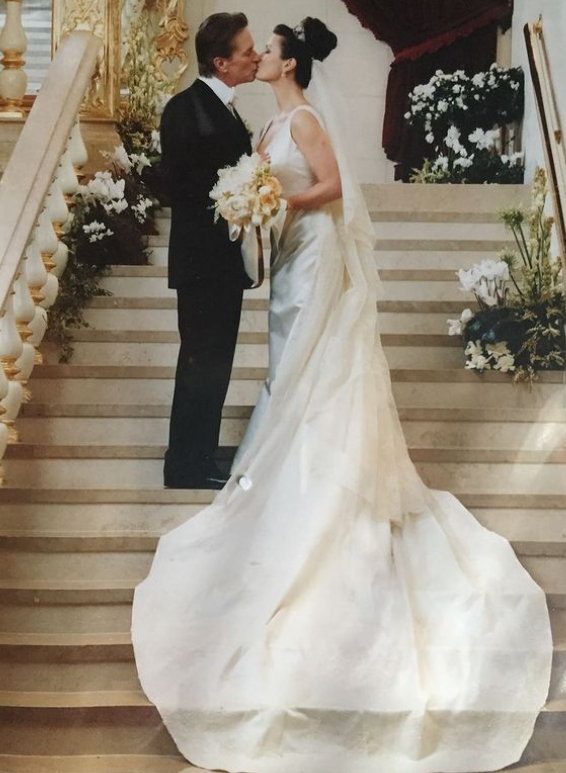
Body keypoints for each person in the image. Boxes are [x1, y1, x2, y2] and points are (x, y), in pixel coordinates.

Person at [133, 17, 552, 773]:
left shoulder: (306, 118)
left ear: (287, 61)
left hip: (317, 253)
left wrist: (279, 205)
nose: (258, 54)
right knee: (287, 364)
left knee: (316, 364)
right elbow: (253, 184)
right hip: (289, 260)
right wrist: (258, 205)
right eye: (248, 48)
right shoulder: (265, 120)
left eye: (267, 49)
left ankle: (323, 462)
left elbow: (327, 189)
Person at [160, 12, 260, 489]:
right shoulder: (184, 109)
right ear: (221, 62)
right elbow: (183, 186)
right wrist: (240, 192)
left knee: (215, 363)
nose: (255, 56)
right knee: (201, 362)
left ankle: (199, 457)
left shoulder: (226, 107)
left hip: (219, 263)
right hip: (203, 263)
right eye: (246, 51)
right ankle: (186, 465)